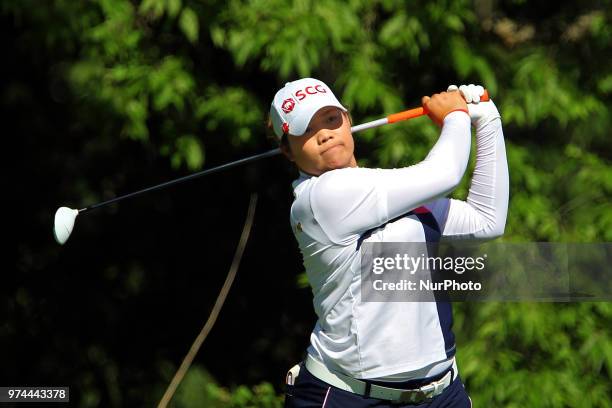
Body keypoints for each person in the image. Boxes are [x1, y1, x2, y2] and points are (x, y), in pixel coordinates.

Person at [269, 78, 508, 407]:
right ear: (287, 150)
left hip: (441, 393)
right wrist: (456, 115)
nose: (324, 133)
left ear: (348, 121)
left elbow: (486, 220)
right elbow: (446, 173)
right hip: (350, 395)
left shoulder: (383, 191)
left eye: (330, 119)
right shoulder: (321, 198)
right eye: (306, 130)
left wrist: (488, 119)